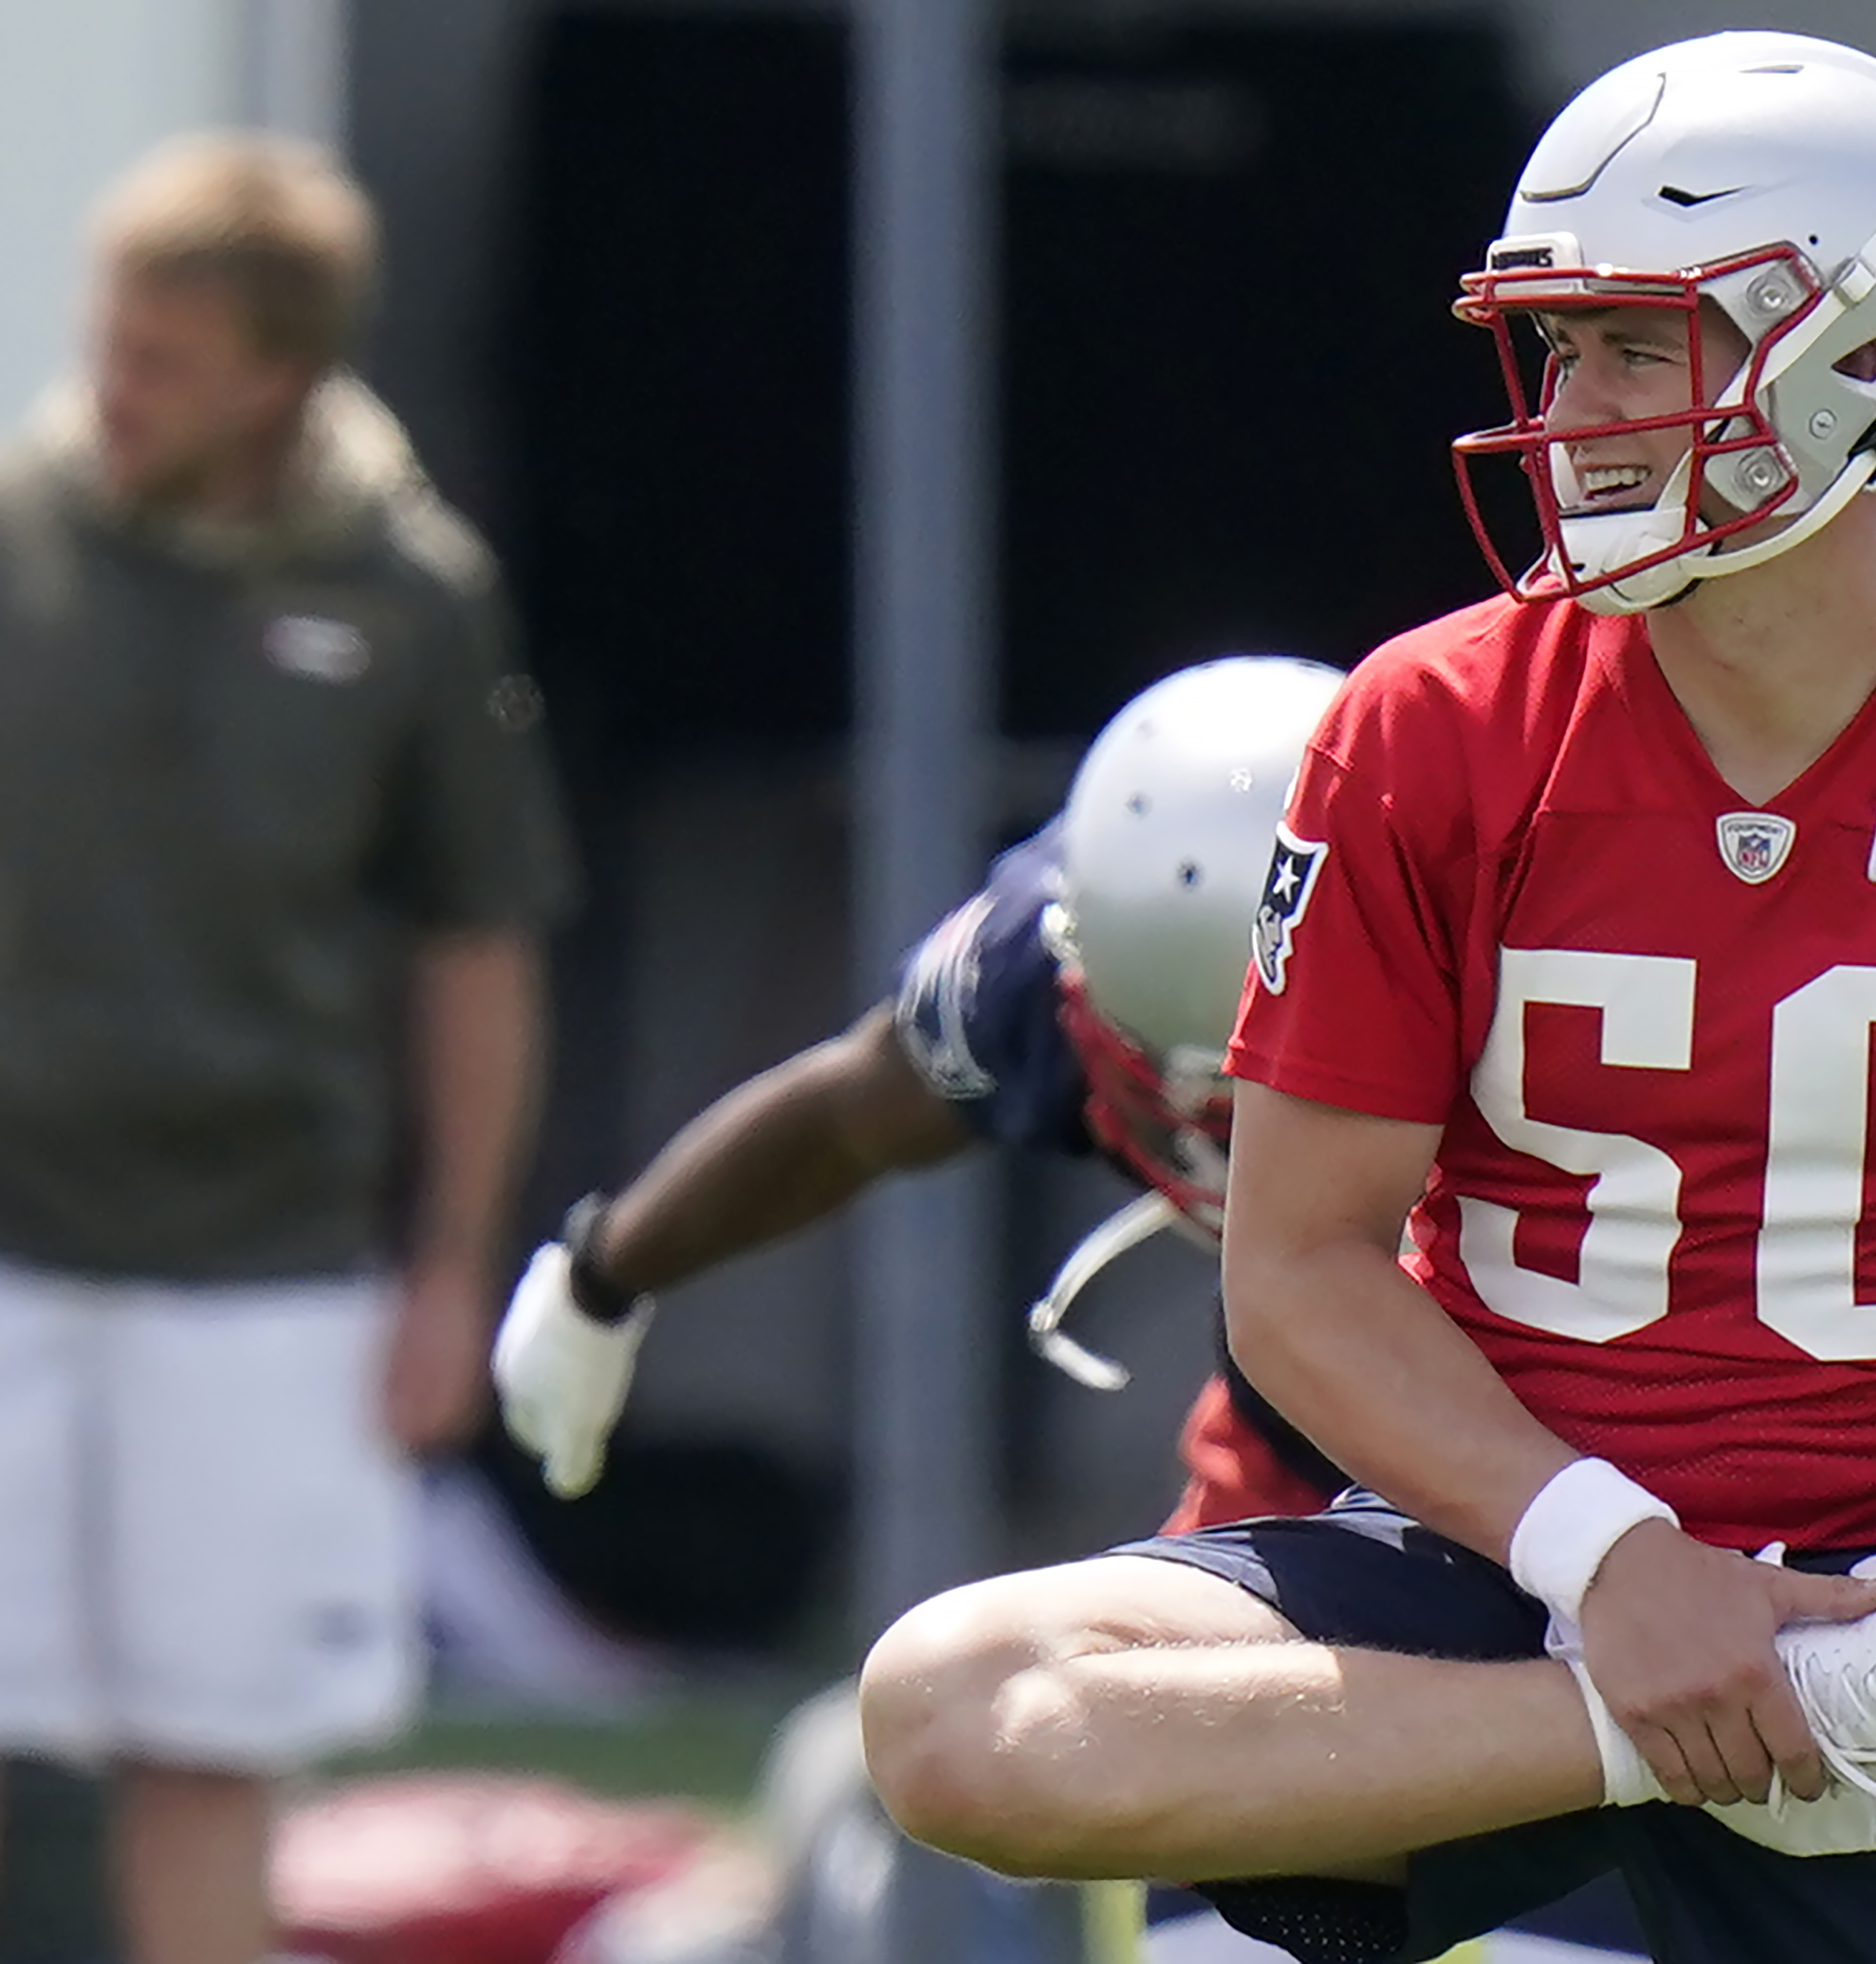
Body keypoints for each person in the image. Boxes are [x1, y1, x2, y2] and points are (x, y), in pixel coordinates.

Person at [853, 31, 1876, 1964]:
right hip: (1505, 1585)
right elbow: (1297, 1266)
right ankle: (1700, 1734)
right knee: (959, 1710)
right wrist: (1614, 1565)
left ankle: (1821, 1702)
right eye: (1558, 351)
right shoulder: (1432, 728)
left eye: (1642, 346)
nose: (1580, 409)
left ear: (1867, 350)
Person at [492, 655, 1649, 1959]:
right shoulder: (1046, 968)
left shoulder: (1577, 949)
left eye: (1272, 1076)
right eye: (1191, 1091)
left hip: (1612, 1465)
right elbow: (851, 1109)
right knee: (1220, 1900)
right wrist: (603, 1277)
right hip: (1300, 1475)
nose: (1227, 1137)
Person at [0, 134, 572, 1964]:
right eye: (109, 341)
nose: (114, 389)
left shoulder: (412, 595)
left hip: (260, 1271)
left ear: (279, 374)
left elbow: (476, 947)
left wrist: (449, 1271)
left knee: (204, 1756)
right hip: (6, 1245)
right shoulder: (16, 535)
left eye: (162, 361)